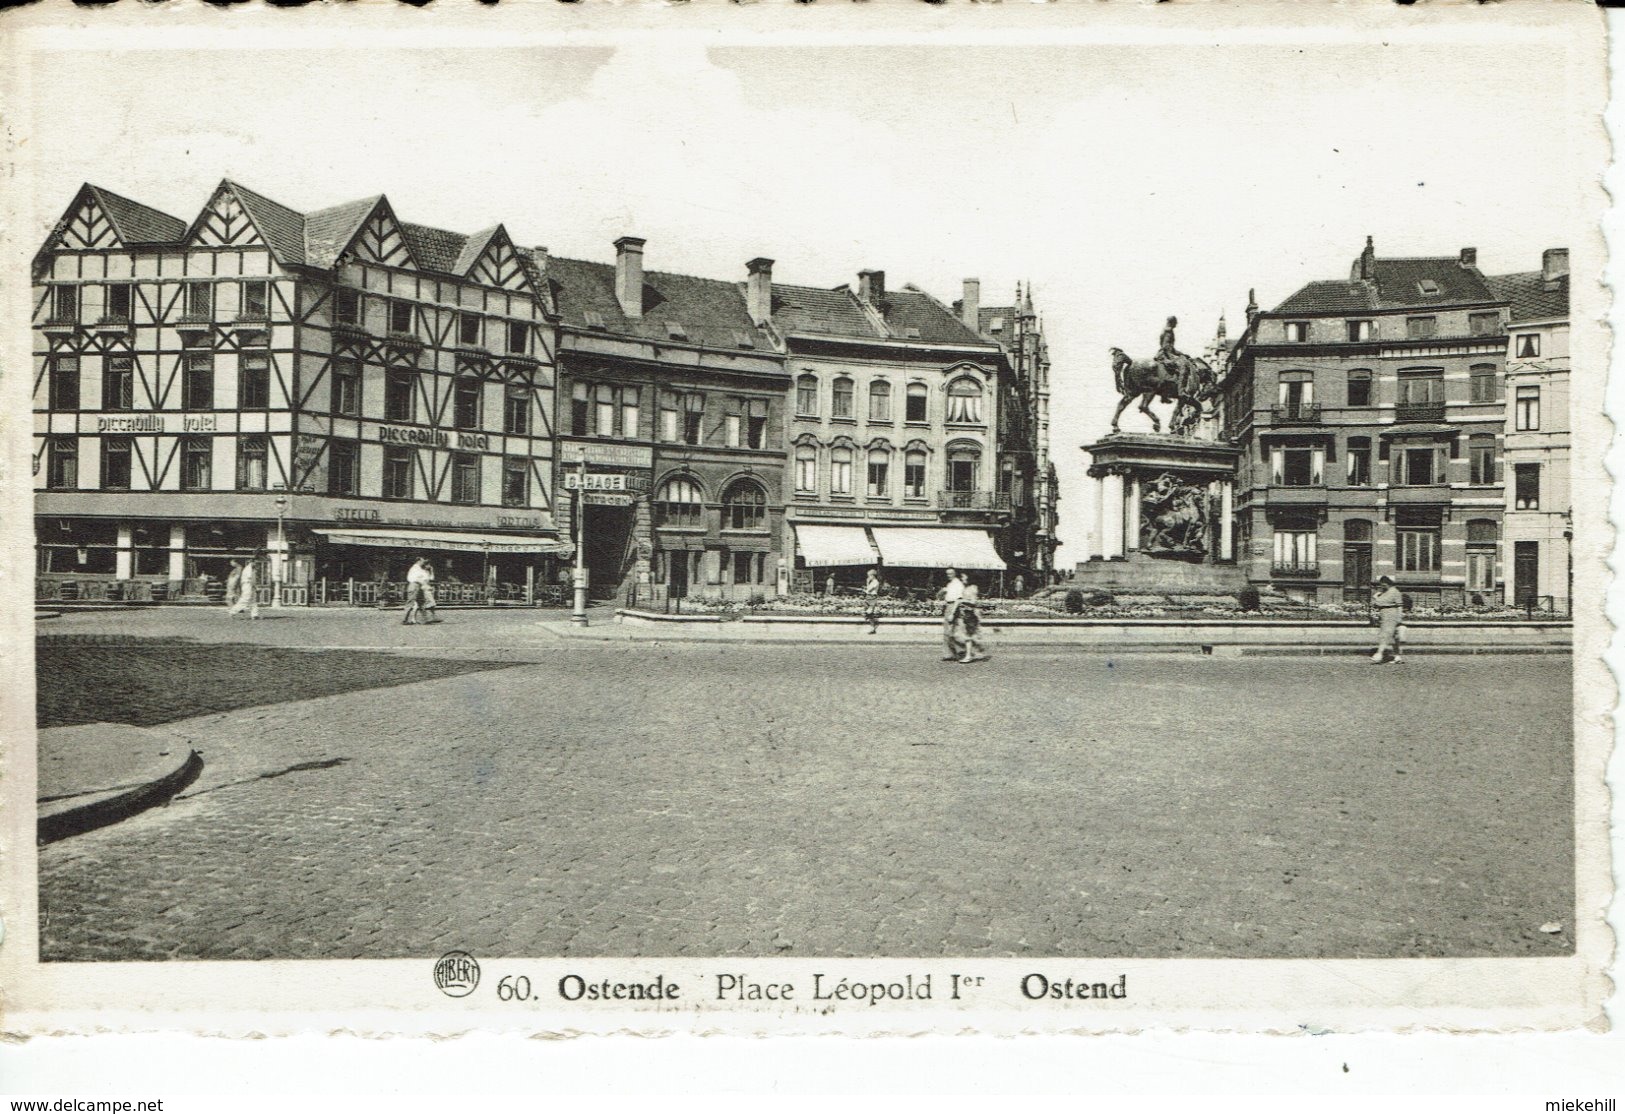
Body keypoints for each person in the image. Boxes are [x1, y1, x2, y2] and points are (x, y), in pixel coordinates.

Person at [1371, 575, 1404, 664]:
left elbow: (1400, 606)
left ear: (1387, 583)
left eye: (1383, 584)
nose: (1381, 586)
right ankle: (1397, 657)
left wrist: (1399, 618)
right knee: (1393, 637)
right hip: (1384, 614)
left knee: (1385, 635)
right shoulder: (1384, 592)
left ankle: (1378, 655)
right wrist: (1376, 596)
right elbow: (1376, 603)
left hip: (1391, 615)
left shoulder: (1395, 592)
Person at [936, 567, 965, 661]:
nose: (948, 575)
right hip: (948, 606)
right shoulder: (950, 584)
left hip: (953, 607)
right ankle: (949, 654)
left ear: (955, 573)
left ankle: (960, 652)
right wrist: (942, 591)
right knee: (947, 632)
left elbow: (958, 600)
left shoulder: (958, 584)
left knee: (951, 632)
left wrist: (952, 613)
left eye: (950, 573)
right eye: (947, 574)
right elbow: (940, 597)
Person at [957, 579, 989, 663]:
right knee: (970, 635)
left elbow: (973, 601)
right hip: (966, 614)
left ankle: (969, 656)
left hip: (971, 615)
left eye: (963, 577)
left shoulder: (973, 588)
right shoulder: (966, 588)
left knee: (968, 636)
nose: (962, 579)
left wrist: (962, 601)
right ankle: (977, 651)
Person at [226, 555, 260, 620]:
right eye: (256, 562)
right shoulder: (248, 569)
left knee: (253, 600)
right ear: (252, 562)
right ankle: (232, 611)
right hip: (247, 585)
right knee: (245, 599)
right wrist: (256, 587)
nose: (257, 564)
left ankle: (255, 615)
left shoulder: (252, 569)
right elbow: (252, 579)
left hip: (250, 585)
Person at [404, 558, 429, 626]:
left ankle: (424, 620)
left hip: (419, 586)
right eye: (423, 561)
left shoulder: (419, 568)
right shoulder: (415, 568)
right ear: (419, 561)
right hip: (414, 585)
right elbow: (418, 578)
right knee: (410, 602)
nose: (424, 562)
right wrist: (424, 582)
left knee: (421, 602)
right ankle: (405, 619)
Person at [862, 568, 882, 634]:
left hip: (872, 597)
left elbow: (869, 590)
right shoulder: (873, 582)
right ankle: (871, 627)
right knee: (867, 613)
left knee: (869, 612)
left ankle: (872, 628)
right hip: (869, 597)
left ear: (873, 575)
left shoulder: (875, 582)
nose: (868, 577)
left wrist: (867, 583)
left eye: (869, 575)